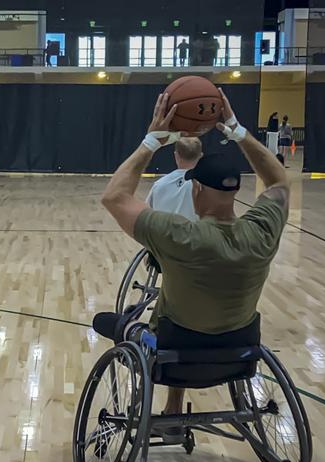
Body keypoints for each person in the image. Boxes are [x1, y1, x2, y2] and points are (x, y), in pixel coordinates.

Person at [98, 89, 290, 430]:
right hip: (240, 354)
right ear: (235, 192)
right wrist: (237, 130)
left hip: (173, 355)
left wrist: (151, 140)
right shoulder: (262, 232)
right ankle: (177, 406)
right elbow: (278, 180)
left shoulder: (179, 237)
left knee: (110, 321)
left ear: (196, 190)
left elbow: (114, 196)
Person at [144, 137, 202, 221]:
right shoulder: (209, 187)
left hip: (164, 233)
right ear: (200, 156)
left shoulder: (159, 184)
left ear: (176, 155)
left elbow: (147, 216)